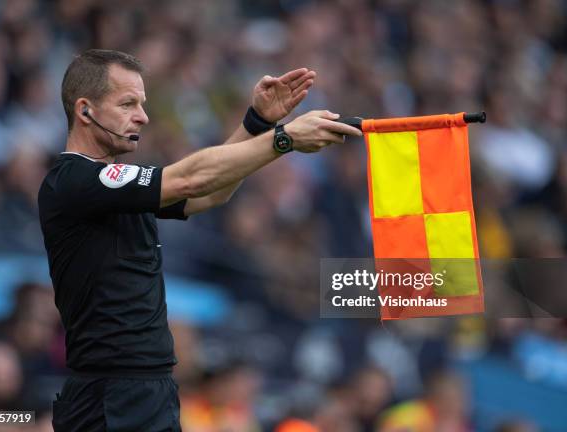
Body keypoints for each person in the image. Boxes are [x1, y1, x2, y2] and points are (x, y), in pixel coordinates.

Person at [38, 49, 361, 432]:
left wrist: (257, 124)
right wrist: (284, 139)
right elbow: (189, 179)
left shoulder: (119, 183)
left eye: (142, 103)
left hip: (149, 390)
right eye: (127, 103)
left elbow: (208, 194)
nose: (142, 115)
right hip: (110, 396)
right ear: (85, 110)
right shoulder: (74, 180)